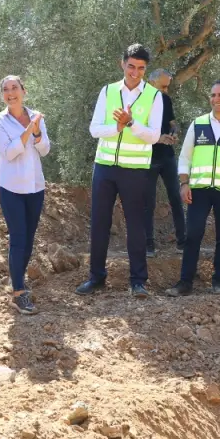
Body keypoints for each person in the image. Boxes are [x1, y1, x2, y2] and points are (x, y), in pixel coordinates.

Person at [75, 43, 164, 298]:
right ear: (122, 64)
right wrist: (117, 127)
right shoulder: (108, 91)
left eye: (141, 68)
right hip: (104, 168)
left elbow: (154, 135)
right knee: (99, 223)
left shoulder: (154, 96)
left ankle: (138, 281)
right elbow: (95, 129)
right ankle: (96, 278)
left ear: (146, 70)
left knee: (136, 225)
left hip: (135, 170)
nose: (135, 72)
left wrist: (132, 123)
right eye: (131, 66)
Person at [166, 81, 220, 296]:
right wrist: (184, 183)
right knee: (193, 234)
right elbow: (185, 157)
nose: (216, 99)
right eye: (213, 95)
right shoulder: (198, 124)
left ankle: (219, 280)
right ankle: (185, 282)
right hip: (199, 190)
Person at [0, 75, 50, 315]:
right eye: (6, 89)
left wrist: (37, 134)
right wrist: (28, 131)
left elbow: (45, 149)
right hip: (11, 187)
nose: (10, 92)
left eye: (15, 88)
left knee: (29, 239)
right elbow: (9, 152)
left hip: (36, 186)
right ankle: (18, 292)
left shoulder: (36, 116)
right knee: (18, 237)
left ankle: (18, 281)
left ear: (24, 91)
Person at [143, 68, 185, 256]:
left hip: (167, 155)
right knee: (148, 202)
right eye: (164, 86)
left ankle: (182, 242)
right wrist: (157, 138)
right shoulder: (141, 101)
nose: (166, 90)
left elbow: (172, 122)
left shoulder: (166, 99)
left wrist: (174, 133)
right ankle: (148, 245)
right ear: (152, 83)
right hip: (147, 157)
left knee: (176, 197)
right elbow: (135, 130)